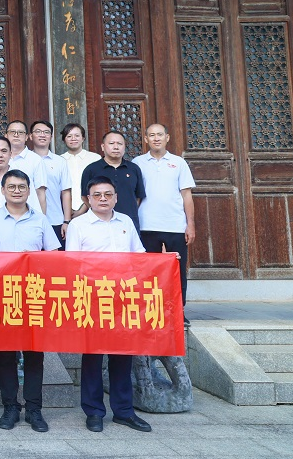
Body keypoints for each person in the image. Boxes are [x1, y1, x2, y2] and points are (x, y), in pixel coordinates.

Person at [66, 176, 153, 434]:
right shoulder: (78, 225)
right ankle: (94, 411)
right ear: (88, 199)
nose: (102, 199)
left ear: (115, 198)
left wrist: (167, 260)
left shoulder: (125, 221)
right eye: (97, 195)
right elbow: (72, 263)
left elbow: (140, 257)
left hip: (123, 297)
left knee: (123, 355)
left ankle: (124, 411)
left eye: (107, 194)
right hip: (93, 297)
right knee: (93, 356)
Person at [0, 169, 60, 433]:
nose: (17, 191)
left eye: (22, 187)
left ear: (28, 191)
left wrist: (35, 259)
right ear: (2, 190)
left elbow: (54, 256)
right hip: (3, 295)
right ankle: (10, 407)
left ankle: (34, 409)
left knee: (34, 354)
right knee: (6, 355)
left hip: (33, 295)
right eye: (12, 187)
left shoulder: (40, 220)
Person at [134, 123, 196, 322]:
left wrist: (190, 224)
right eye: (151, 135)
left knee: (177, 270)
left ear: (167, 137)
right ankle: (148, 311)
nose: (156, 138)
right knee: (148, 271)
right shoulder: (137, 163)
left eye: (160, 134)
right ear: (146, 139)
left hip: (175, 225)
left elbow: (186, 195)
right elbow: (135, 197)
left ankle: (178, 311)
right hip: (146, 225)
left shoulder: (178, 163)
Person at [78, 131, 145, 231]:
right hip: (99, 224)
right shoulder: (91, 169)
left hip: (128, 223)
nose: (116, 147)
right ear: (103, 146)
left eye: (120, 144)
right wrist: (99, 212)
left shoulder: (134, 169)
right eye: (111, 143)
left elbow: (138, 197)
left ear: (124, 146)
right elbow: (85, 196)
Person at [29, 120, 73, 247]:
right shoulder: (25, 160)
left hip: (55, 220)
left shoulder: (60, 162)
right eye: (38, 132)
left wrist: (66, 221)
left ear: (51, 137)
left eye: (46, 132)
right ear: (30, 136)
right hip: (30, 220)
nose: (42, 135)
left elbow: (66, 192)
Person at [6, 120, 48, 214]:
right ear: (6, 136)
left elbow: (40, 193)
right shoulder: (0, 158)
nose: (16, 135)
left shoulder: (35, 160)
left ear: (26, 137)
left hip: (29, 216)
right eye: (12, 132)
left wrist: (42, 218)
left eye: (20, 132)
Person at [60, 123, 101, 213]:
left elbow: (98, 185)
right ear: (64, 140)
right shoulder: (59, 160)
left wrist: (81, 211)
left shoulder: (95, 158)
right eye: (69, 136)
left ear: (83, 138)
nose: (73, 139)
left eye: (77, 135)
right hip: (64, 211)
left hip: (91, 209)